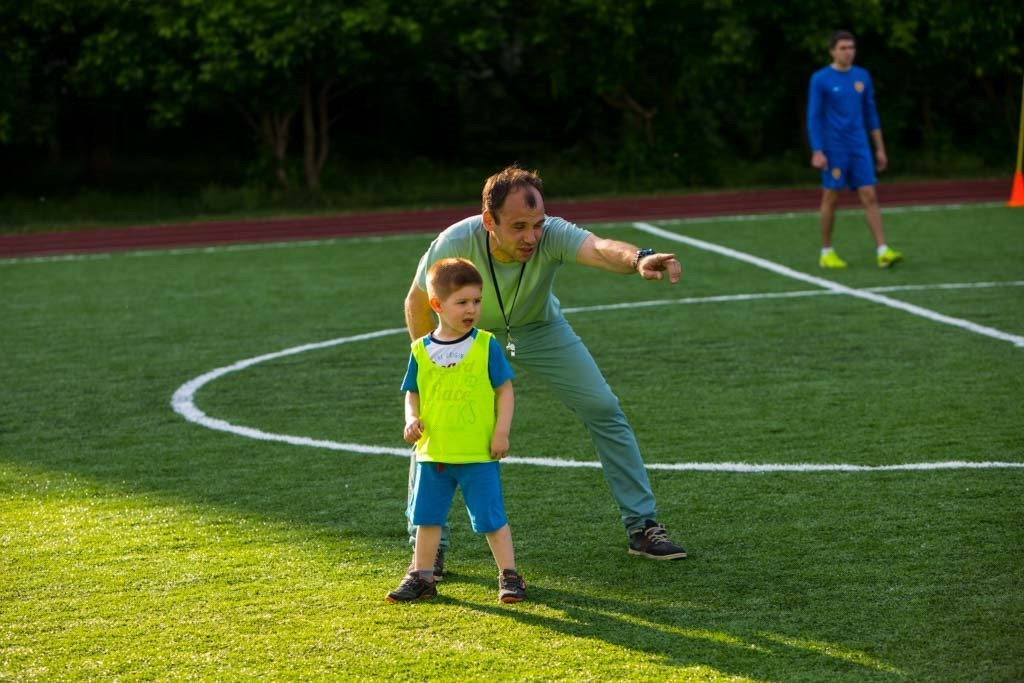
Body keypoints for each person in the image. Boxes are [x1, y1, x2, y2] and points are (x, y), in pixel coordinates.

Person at [403, 164, 688, 574]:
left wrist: (639, 258)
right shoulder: (455, 241)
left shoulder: (551, 233)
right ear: (489, 221)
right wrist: (428, 362)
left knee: (604, 408)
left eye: (537, 225)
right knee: (431, 421)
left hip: (539, 327)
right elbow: (416, 300)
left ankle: (642, 526)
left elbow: (600, 247)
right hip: (469, 335)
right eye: (518, 226)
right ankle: (429, 548)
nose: (532, 237)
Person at [387, 257, 526, 604]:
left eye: (477, 301)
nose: (472, 309)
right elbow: (413, 391)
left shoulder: (485, 345)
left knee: (491, 519)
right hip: (433, 453)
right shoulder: (420, 350)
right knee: (427, 519)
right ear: (436, 305)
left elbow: (504, 390)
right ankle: (422, 577)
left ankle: (509, 576)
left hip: (477, 452)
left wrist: (501, 432)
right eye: (462, 302)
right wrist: (410, 419)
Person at [807, 29, 903, 269]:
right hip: (834, 148)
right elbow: (814, 117)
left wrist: (879, 148)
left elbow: (871, 114)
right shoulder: (820, 79)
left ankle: (882, 250)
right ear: (832, 51)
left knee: (870, 195)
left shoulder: (862, 77)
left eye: (851, 48)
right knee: (831, 197)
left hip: (859, 146)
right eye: (843, 48)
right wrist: (817, 150)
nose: (848, 52)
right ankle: (826, 251)